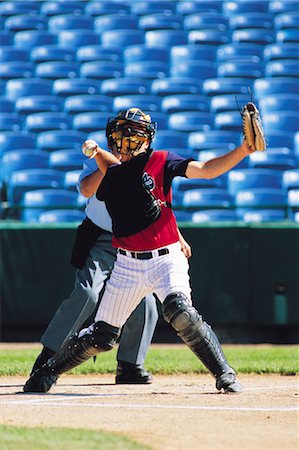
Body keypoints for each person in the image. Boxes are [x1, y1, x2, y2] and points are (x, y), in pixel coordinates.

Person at [24, 107, 253, 394]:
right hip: (127, 263)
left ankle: (223, 372)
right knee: (101, 336)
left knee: (179, 310)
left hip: (165, 258)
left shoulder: (162, 160)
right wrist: (95, 153)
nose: (125, 141)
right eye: (121, 136)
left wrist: (243, 150)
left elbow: (206, 170)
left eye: (132, 136)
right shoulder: (113, 173)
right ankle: (47, 372)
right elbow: (108, 173)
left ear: (147, 139)